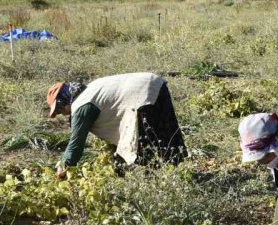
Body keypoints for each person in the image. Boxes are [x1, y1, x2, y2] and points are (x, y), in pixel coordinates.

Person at [46, 72, 186, 177]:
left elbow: (75, 144)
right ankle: (176, 171)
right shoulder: (91, 90)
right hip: (156, 84)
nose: (63, 114)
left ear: (63, 101)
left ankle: (158, 180)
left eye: (59, 110)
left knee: (143, 145)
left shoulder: (81, 106)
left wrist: (64, 166)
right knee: (165, 132)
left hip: (142, 96)